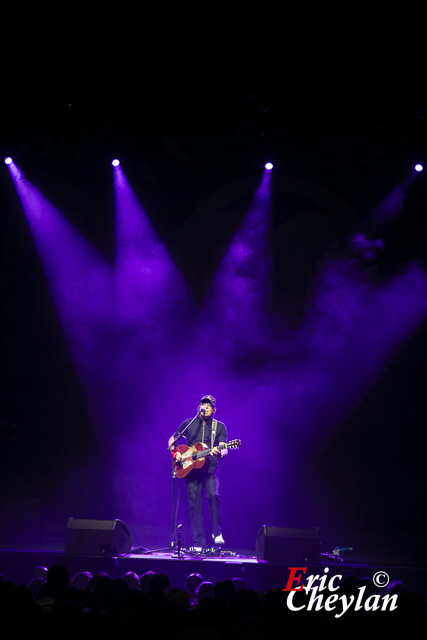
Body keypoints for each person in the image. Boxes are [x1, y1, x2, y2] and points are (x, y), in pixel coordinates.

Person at [168, 394, 227, 547]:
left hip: (210, 471)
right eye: (203, 405)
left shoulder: (219, 427)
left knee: (213, 496)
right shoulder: (189, 423)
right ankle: (198, 543)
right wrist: (177, 454)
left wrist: (219, 452)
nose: (205, 407)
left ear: (214, 410)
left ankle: (216, 532)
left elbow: (224, 448)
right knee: (195, 506)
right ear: (198, 408)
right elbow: (171, 441)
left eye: (209, 406)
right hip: (191, 471)